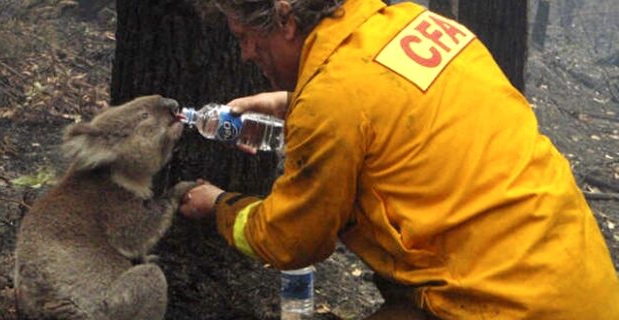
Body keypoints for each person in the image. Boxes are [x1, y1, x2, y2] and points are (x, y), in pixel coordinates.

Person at [180, 0, 619, 318]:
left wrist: (219, 205)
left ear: (284, 18)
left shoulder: (333, 102)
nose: (244, 55)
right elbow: (386, 101)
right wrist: (290, 101)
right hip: (581, 282)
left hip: (503, 306)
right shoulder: (415, 23)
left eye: (244, 38)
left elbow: (291, 240)